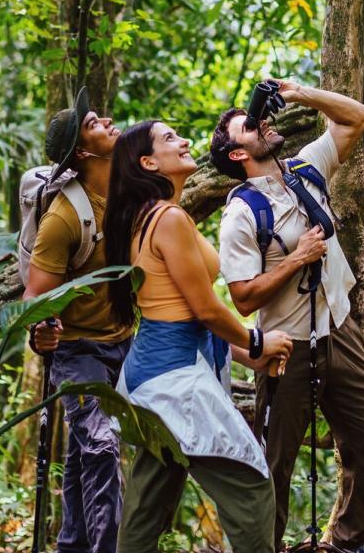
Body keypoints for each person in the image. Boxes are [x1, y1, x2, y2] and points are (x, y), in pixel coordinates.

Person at [210, 80, 364, 553]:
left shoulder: (306, 169)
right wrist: (296, 259)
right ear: (236, 155)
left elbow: (357, 116)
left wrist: (299, 93)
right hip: (286, 347)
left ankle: (349, 541)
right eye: (248, 127)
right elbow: (244, 299)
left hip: (339, 329)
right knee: (274, 466)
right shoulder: (239, 217)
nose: (262, 124)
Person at [104, 119, 293, 553]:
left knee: (149, 499)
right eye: (170, 138)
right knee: (251, 486)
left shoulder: (145, 217)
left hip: (152, 377)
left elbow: (179, 314)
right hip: (175, 383)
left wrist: (247, 356)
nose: (184, 141)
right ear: (148, 162)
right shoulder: (167, 218)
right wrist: (258, 342)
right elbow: (206, 310)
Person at [23, 88, 131, 553]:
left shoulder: (127, 187)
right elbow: (34, 295)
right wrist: (40, 332)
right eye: (93, 124)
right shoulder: (64, 218)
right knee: (102, 446)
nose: (106, 120)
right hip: (79, 353)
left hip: (124, 344)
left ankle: (72, 545)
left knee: (83, 453)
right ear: (84, 152)